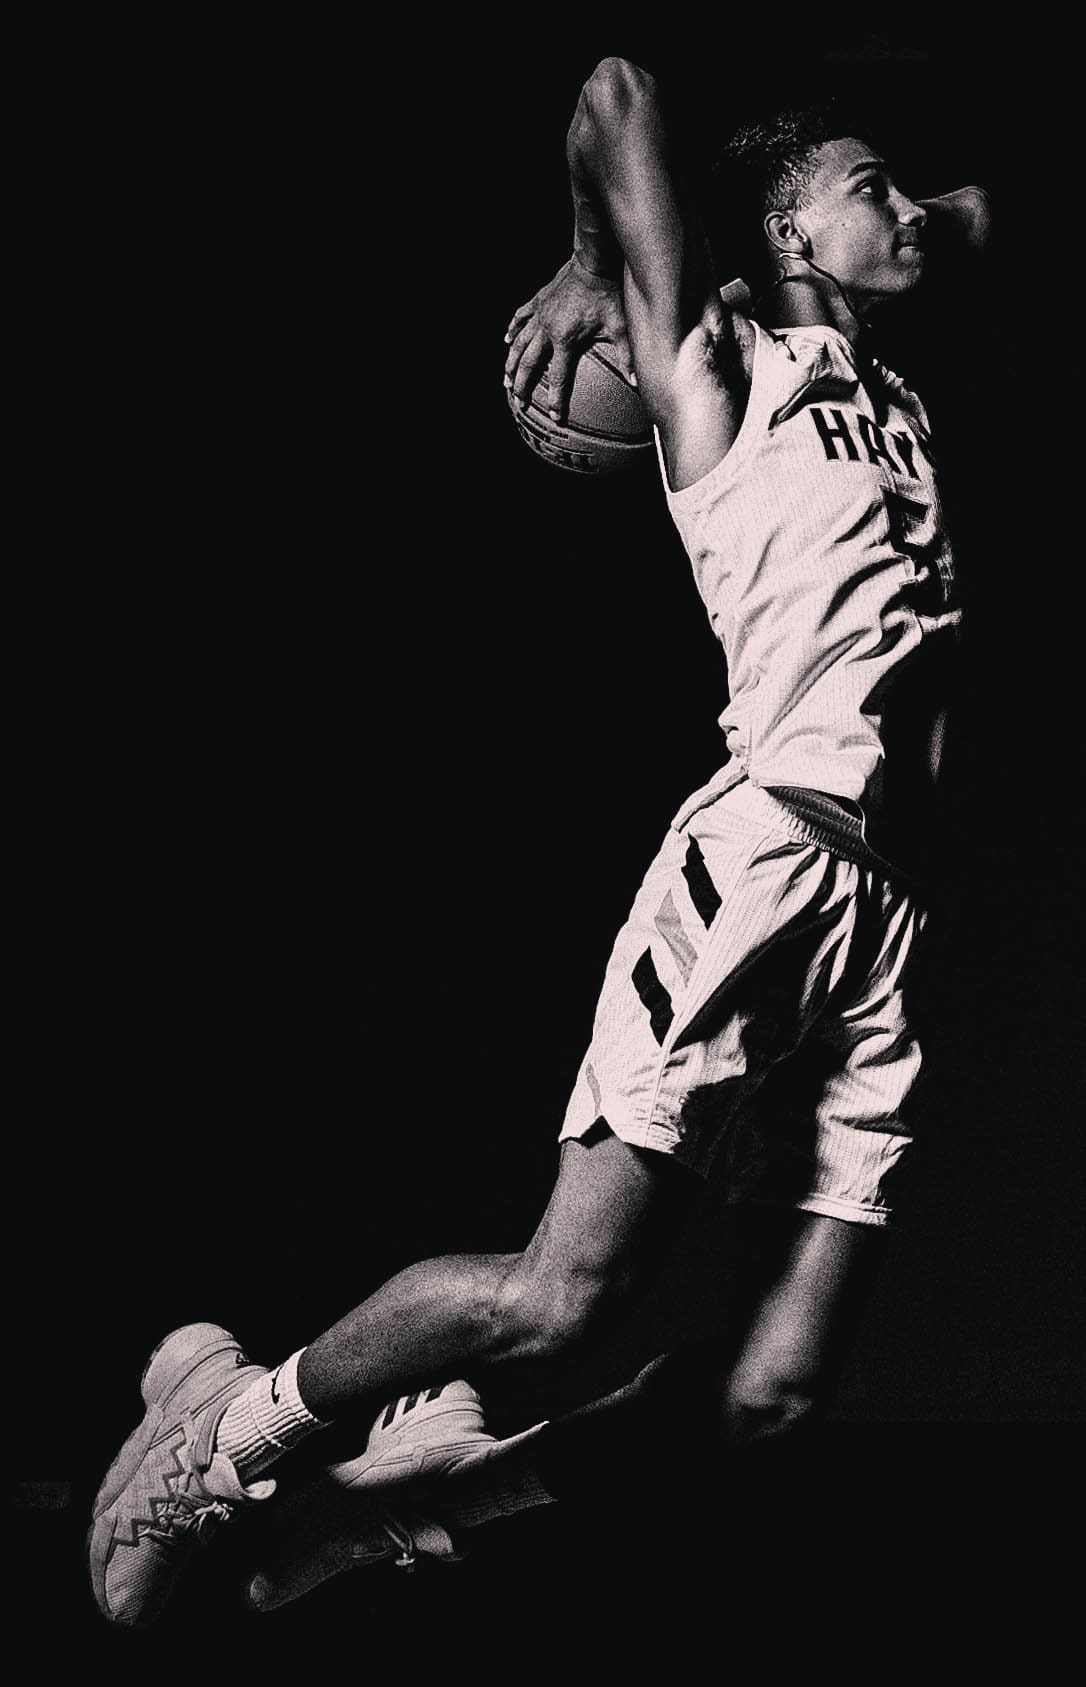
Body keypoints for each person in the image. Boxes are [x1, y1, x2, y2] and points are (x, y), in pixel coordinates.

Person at [87, 54, 991, 1627]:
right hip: (763, 866)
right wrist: (595, 262)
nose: (907, 206)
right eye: (869, 188)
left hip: (893, 919)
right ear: (778, 228)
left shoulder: (888, 387)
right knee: (554, 1305)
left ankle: (405, 1498)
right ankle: (228, 1429)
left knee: (769, 1400)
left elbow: (978, 213)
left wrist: (906, 210)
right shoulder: (715, 366)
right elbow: (619, 89)